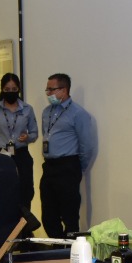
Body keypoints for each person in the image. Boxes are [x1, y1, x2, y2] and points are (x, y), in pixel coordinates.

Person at [39, 73, 97, 239]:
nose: (48, 93)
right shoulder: (46, 112)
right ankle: (55, 249)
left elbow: (87, 146)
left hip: (68, 166)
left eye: (52, 89)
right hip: (49, 166)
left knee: (69, 215)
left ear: (64, 90)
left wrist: (78, 167)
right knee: (49, 215)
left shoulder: (78, 113)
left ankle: (69, 252)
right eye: (47, 89)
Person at [0, 72, 39, 210]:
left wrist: (28, 137)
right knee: (4, 192)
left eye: (14, 89)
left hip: (22, 154)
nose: (11, 92)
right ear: (2, 89)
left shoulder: (27, 109)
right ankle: (7, 228)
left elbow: (35, 133)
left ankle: (24, 228)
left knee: (26, 192)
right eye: (7, 90)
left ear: (18, 89)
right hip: (2, 155)